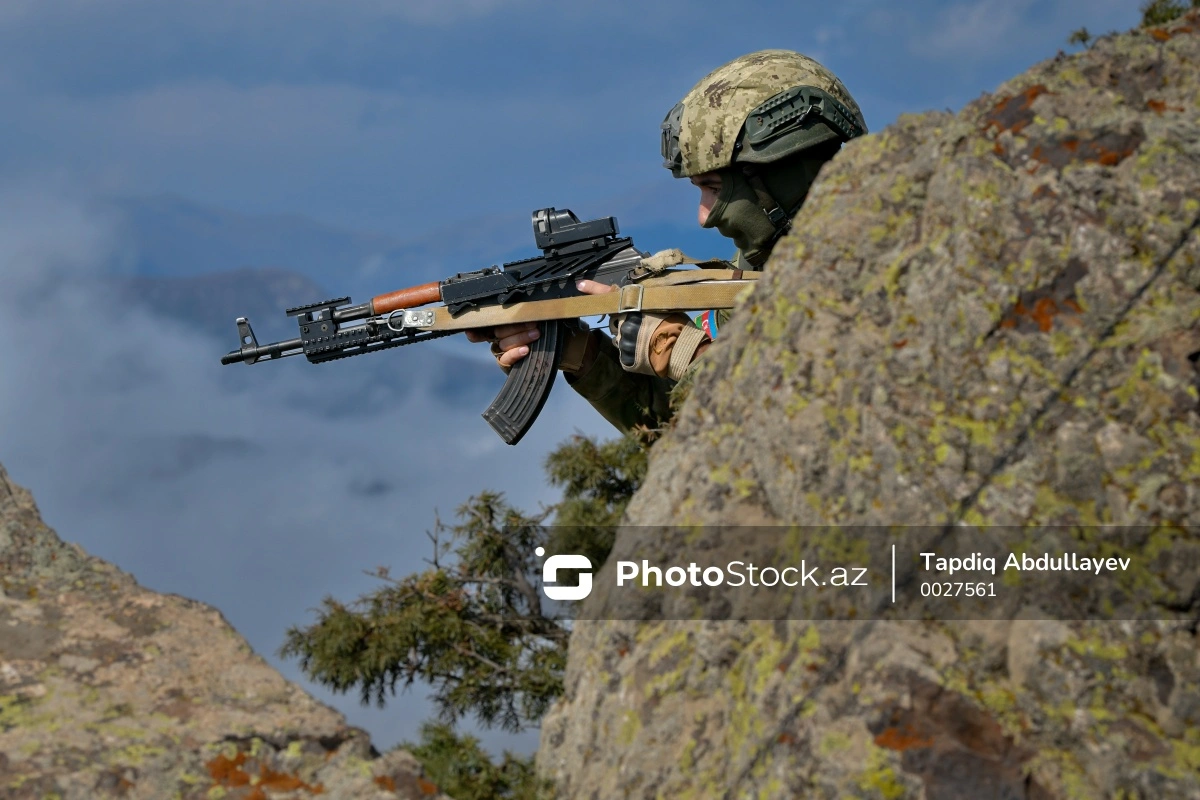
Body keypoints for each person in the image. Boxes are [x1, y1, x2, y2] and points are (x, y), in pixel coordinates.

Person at [466, 50, 867, 436]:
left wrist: (682, 350)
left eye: (713, 188)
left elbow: (806, 430)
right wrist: (583, 355)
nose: (704, 215)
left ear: (780, 177)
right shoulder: (761, 270)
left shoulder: (873, 279)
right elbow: (684, 432)